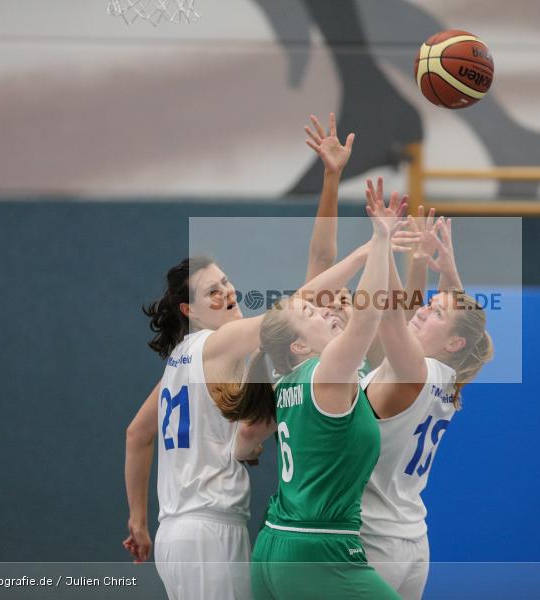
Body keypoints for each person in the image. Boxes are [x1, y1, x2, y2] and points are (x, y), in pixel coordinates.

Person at [122, 114, 358, 600]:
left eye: (227, 282)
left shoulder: (180, 363)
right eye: (213, 291)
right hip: (207, 528)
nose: (228, 292)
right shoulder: (218, 343)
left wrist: (139, 520)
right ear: (189, 310)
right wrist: (371, 251)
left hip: (180, 531)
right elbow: (300, 300)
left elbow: (137, 434)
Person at [230, 178, 405, 600]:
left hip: (276, 542)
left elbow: (243, 444)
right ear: (299, 345)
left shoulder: (286, 380)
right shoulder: (324, 374)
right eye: (311, 311)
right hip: (317, 548)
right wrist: (379, 240)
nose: (325, 309)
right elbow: (366, 319)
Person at [359, 212, 494, 599]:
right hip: (412, 539)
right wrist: (448, 274)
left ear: (453, 343)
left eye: (434, 312)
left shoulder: (414, 371)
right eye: (430, 305)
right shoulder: (451, 376)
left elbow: (389, 314)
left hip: (376, 539)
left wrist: (383, 240)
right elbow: (460, 328)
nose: (422, 310)